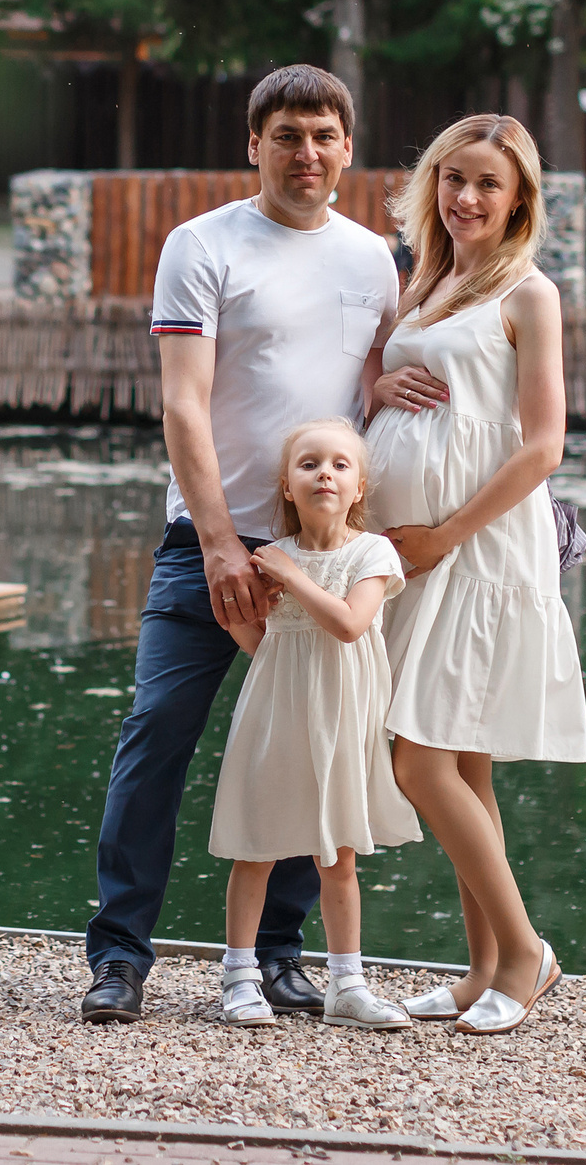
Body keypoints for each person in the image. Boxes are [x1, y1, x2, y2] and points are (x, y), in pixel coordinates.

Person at [80, 65, 400, 1025]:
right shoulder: (202, 244)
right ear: (252, 143)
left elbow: (366, 393)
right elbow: (182, 401)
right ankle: (121, 957)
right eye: (288, 135)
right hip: (209, 543)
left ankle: (282, 957)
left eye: (324, 136)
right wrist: (222, 542)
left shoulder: (371, 258)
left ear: (348, 148)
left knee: (318, 741)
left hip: (326, 552)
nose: (308, 154)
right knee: (157, 739)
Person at [363, 113, 583, 1036]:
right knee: (463, 761)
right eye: (453, 178)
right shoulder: (429, 277)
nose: (466, 197)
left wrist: (443, 534)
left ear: (520, 196)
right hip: (416, 548)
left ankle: (526, 951)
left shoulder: (529, 294)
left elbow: (542, 447)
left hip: (477, 549)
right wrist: (379, 387)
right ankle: (481, 969)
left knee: (417, 758)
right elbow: (400, 383)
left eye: (488, 183)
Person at [207, 418, 418, 1031]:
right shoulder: (271, 559)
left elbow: (352, 625)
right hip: (277, 709)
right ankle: (240, 976)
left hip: (344, 716)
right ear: (288, 485)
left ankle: (347, 983)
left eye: (340, 465)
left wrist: (293, 579)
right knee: (258, 846)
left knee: (339, 855)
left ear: (357, 488)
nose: (325, 472)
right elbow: (261, 642)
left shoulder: (371, 552)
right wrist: (239, 612)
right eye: (309, 464)